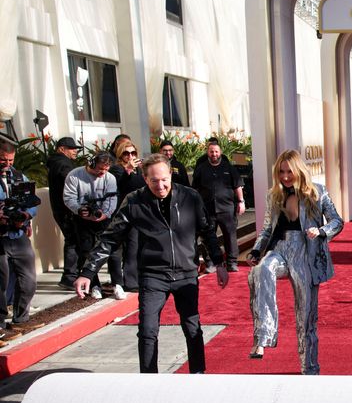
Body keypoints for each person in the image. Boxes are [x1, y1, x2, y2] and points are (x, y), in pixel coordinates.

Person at [74, 154, 229, 374]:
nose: (160, 185)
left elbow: (207, 231)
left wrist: (219, 263)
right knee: (147, 329)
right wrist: (88, 272)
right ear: (145, 179)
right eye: (154, 180)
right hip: (153, 275)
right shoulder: (134, 201)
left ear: (170, 175)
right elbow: (110, 238)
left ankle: (198, 374)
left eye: (164, 179)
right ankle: (148, 380)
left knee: (192, 326)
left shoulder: (190, 197)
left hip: (186, 273)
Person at [246, 150, 343, 375]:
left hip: (306, 254)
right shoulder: (274, 195)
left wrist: (320, 231)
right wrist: (257, 249)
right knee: (262, 270)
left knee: (306, 315)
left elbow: (337, 221)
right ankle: (264, 335)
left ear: (299, 170)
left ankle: (309, 368)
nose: (286, 176)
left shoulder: (318, 192)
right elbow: (268, 228)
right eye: (281, 172)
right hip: (279, 249)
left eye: (289, 171)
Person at [62, 152, 118, 300]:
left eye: (106, 169)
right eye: (100, 169)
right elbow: (68, 198)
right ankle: (94, 285)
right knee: (86, 252)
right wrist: (79, 210)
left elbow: (112, 200)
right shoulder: (74, 176)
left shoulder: (110, 178)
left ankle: (117, 283)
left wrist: (104, 214)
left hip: (104, 220)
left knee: (112, 252)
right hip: (81, 220)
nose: (103, 172)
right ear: (92, 164)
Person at [0, 141, 38, 338]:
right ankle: (0, 323)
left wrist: (26, 217)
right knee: (2, 280)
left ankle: (21, 319)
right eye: (3, 160)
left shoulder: (18, 176)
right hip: (1, 236)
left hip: (18, 233)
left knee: (28, 278)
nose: (7, 164)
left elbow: (32, 201)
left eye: (10, 160)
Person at [192, 138, 246, 272]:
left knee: (230, 236)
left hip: (227, 208)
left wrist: (241, 201)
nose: (214, 154)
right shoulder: (201, 169)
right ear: (207, 152)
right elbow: (195, 190)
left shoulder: (229, 168)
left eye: (216, 151)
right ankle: (210, 263)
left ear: (220, 152)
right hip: (207, 210)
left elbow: (238, 185)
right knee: (208, 237)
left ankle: (232, 262)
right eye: (211, 152)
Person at [109, 137, 147, 297]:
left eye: (133, 153)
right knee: (117, 250)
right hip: (119, 213)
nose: (130, 156)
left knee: (134, 247)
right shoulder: (116, 169)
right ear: (120, 154)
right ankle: (118, 281)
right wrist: (128, 170)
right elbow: (118, 185)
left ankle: (132, 281)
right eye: (126, 153)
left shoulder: (139, 169)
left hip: (136, 212)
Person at [46, 136, 80, 289]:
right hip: (66, 210)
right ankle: (69, 275)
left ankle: (72, 274)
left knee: (73, 240)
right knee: (73, 240)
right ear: (62, 149)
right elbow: (70, 179)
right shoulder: (61, 164)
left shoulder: (57, 162)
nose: (75, 151)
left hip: (64, 209)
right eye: (72, 148)